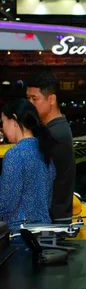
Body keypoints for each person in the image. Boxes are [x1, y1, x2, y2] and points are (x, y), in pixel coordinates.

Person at [26, 71, 75, 222]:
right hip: (54, 220)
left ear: (51, 99)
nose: (30, 104)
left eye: (35, 99)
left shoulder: (54, 134)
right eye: (28, 98)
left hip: (50, 224)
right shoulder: (56, 128)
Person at [0, 98, 56, 230]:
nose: (3, 128)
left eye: (3, 122)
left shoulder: (15, 154)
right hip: (44, 230)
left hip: (20, 233)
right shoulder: (44, 150)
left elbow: (6, 203)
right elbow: (47, 199)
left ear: (14, 120)